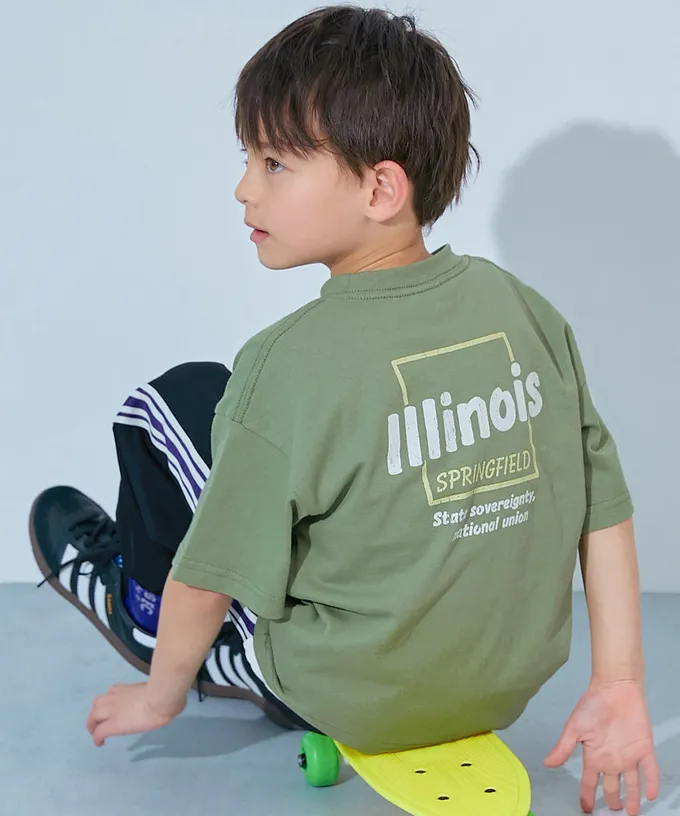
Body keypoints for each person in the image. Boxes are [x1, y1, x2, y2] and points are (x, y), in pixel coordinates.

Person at [30, 5, 658, 814]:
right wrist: (618, 682)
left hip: (343, 693)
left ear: (380, 188)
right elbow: (604, 510)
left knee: (171, 402)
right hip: (502, 691)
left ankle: (144, 617)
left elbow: (209, 576)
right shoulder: (527, 313)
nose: (244, 187)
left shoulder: (285, 364)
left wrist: (159, 697)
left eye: (274, 163)